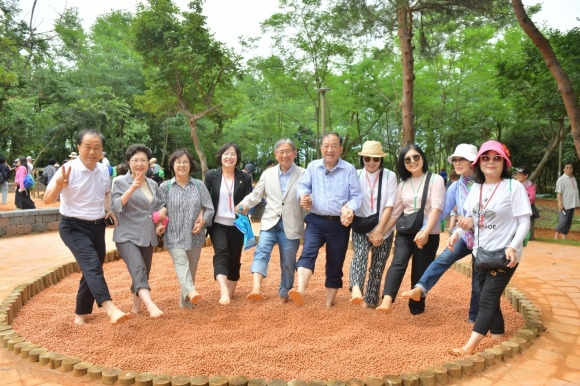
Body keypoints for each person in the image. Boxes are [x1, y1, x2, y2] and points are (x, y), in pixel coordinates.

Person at [450, 140, 530, 356]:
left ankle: (469, 347)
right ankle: (497, 334)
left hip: (505, 254)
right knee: (486, 294)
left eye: (497, 158)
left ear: (505, 163)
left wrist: (513, 246)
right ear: (479, 163)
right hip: (480, 252)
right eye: (486, 157)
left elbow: (524, 222)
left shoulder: (514, 187)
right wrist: (456, 233)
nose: (491, 162)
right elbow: (469, 218)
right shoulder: (476, 188)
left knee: (486, 299)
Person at [44, 129, 129, 325]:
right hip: (72, 226)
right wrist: (59, 185)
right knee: (91, 264)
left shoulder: (103, 170)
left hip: (97, 227)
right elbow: (48, 199)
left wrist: (108, 211)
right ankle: (109, 307)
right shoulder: (67, 169)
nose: (92, 152)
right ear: (78, 147)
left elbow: (106, 194)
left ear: (102, 150)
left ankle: (80, 315)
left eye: (96, 148)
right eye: (87, 147)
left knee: (92, 268)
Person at [401, 144, 480, 322]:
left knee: (478, 279)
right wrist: (423, 230)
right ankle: (420, 288)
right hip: (465, 236)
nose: (457, 163)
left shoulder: (484, 184)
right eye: (455, 160)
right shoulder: (455, 187)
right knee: (443, 259)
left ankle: (475, 317)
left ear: (473, 161)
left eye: (462, 159)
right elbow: (441, 212)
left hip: (485, 239)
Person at [289, 132, 362, 308]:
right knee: (308, 252)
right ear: (321, 148)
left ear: (341, 149)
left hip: (339, 224)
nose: (330, 150)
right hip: (316, 221)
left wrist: (349, 208)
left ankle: (329, 303)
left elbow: (357, 196)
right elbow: (302, 186)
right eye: (326, 146)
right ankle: (300, 290)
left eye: (334, 146)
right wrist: (304, 196)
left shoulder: (349, 169)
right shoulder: (313, 167)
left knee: (335, 262)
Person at [377, 144, 445, 315]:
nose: (412, 161)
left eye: (416, 157)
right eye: (407, 159)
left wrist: (426, 232)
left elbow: (437, 208)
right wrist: (380, 231)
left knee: (420, 269)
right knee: (398, 263)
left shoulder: (436, 179)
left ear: (422, 158)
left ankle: (416, 310)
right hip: (405, 231)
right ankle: (387, 300)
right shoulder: (403, 184)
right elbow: (396, 213)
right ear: (403, 163)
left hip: (429, 232)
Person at [238, 138, 305, 303]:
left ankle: (284, 292)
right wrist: (244, 204)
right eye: (281, 152)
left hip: (292, 223)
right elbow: (256, 194)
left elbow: (308, 195)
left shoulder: (304, 173)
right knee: (261, 251)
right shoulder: (267, 174)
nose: (284, 155)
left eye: (288, 151)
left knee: (288, 261)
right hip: (269, 222)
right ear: (276, 155)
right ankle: (256, 288)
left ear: (295, 153)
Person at [111, 144, 164, 318]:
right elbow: (116, 206)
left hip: (147, 235)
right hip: (126, 235)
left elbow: (156, 208)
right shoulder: (119, 182)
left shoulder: (153, 184)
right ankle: (150, 305)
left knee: (142, 273)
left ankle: (135, 310)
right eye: (135, 160)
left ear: (149, 163)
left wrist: (159, 223)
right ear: (128, 163)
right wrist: (132, 188)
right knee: (138, 268)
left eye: (143, 160)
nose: (139, 164)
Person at [157, 148, 214, 308]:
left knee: (191, 269)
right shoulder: (165, 187)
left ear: (190, 165)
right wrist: (159, 223)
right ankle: (191, 290)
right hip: (173, 235)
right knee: (181, 263)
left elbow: (209, 208)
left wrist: (202, 220)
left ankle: (186, 302)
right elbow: (157, 210)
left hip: (195, 235)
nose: (181, 165)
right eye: (178, 162)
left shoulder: (199, 185)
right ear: (172, 165)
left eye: (185, 162)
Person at [349, 141, 397, 308]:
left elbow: (390, 204)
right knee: (360, 256)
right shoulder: (355, 174)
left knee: (378, 265)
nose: (371, 162)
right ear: (362, 158)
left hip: (383, 226)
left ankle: (370, 300)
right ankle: (356, 289)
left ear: (381, 160)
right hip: (361, 224)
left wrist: (379, 230)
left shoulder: (390, 176)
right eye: (367, 158)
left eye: (375, 159)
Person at [204, 143, 253, 305]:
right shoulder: (211, 175)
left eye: (232, 154)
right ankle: (223, 291)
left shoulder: (245, 177)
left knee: (234, 258)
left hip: (237, 224)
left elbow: (249, 199)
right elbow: (204, 199)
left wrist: (245, 208)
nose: (229, 157)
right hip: (217, 223)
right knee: (221, 253)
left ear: (237, 157)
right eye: (226, 153)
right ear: (220, 156)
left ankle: (230, 293)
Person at [554, 162, 580, 240]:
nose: (569, 169)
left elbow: (575, 192)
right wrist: (560, 203)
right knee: (563, 221)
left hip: (572, 204)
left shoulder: (573, 178)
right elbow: (559, 192)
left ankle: (564, 237)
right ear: (563, 169)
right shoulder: (561, 179)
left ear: (572, 169)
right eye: (567, 167)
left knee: (568, 221)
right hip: (565, 204)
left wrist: (577, 204)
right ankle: (556, 236)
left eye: (570, 167)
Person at [514, 166, 537, 240]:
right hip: (514, 207)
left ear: (526, 175)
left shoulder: (531, 185)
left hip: (527, 207)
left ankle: (530, 237)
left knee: (528, 222)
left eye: (520, 174)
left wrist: (523, 204)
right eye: (517, 174)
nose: (518, 176)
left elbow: (532, 197)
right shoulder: (513, 184)